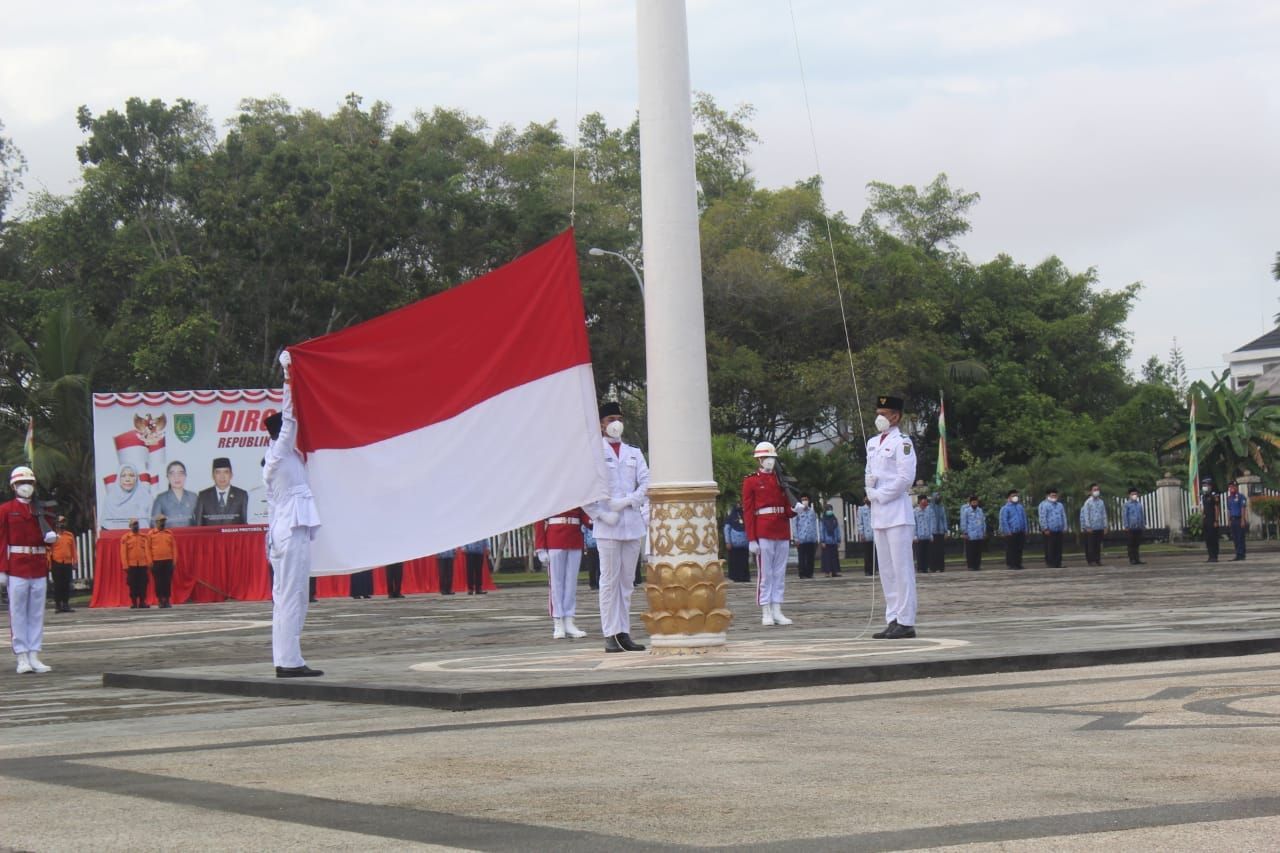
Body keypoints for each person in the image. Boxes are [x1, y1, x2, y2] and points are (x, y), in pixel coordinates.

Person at [264, 351, 323, 678]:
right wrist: (288, 377)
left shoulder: (284, 457)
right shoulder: (277, 455)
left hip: (289, 530)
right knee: (291, 597)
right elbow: (290, 419)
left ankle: (288, 658)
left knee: (289, 597)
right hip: (290, 531)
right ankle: (288, 661)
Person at [586, 401, 649, 653]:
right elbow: (585, 490)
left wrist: (628, 501)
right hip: (609, 526)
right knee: (609, 581)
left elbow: (646, 482)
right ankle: (610, 633)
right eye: (610, 418)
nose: (615, 423)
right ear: (601, 423)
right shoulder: (594, 453)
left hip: (632, 523)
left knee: (627, 582)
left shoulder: (634, 453)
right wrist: (599, 514)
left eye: (618, 418)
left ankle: (624, 631)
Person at [865, 395, 918, 640]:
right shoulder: (873, 442)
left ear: (896, 416)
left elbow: (905, 478)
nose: (879, 418)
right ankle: (892, 618)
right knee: (886, 570)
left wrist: (880, 494)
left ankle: (906, 621)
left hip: (897, 511)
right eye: (878, 412)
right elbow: (870, 472)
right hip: (879, 513)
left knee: (901, 569)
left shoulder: (902, 442)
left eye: (884, 413)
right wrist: (869, 489)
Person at [2, 466, 57, 673]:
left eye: (29, 483)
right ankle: (22, 656)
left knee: (36, 613)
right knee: (18, 613)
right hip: (17, 566)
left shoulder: (41, 508)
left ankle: (34, 654)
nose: (25, 486)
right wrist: (2, 569)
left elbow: (48, 535)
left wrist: (52, 538)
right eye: (21, 483)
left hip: (38, 565)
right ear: (14, 486)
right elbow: (1, 541)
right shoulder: (6, 509)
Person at [743, 441, 797, 627]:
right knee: (765, 574)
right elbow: (748, 511)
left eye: (772, 458)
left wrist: (796, 509)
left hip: (781, 529)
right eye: (767, 458)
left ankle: (777, 609)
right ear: (759, 459)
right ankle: (765, 609)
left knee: (779, 573)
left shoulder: (780, 480)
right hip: (763, 530)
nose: (770, 462)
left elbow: (787, 509)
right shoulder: (751, 481)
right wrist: (751, 538)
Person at [536, 508, 590, 639]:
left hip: (574, 537)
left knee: (571, 583)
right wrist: (540, 547)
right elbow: (539, 520)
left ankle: (569, 620)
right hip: (555, 537)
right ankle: (558, 620)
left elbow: (585, 514)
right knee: (556, 582)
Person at [194, 458, 250, 526]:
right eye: (218, 472)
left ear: (231, 475)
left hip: (234, 536)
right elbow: (198, 524)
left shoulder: (241, 495)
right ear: (213, 476)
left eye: (226, 472)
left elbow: (245, 523)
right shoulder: (203, 496)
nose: (222, 477)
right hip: (210, 536)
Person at [102, 464, 154, 529]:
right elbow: (106, 526)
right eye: (123, 476)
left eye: (131, 475)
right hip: (115, 538)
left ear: (136, 478)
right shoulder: (110, 499)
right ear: (119, 479)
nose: (127, 479)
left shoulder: (147, 498)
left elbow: (153, 524)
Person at [151, 460, 197, 527]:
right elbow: (153, 524)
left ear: (185, 476)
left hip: (190, 536)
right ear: (167, 477)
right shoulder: (160, 499)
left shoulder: (193, 497)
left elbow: (199, 522)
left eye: (180, 473)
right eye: (172, 474)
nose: (177, 477)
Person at [120, 518, 152, 609]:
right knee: (132, 585)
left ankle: (142, 602)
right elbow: (123, 553)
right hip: (131, 566)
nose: (136, 526)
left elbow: (147, 551)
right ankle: (134, 603)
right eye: (134, 524)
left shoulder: (144, 537)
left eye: (137, 524)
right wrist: (125, 565)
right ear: (130, 526)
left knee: (143, 584)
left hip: (142, 565)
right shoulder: (125, 538)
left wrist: (149, 563)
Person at [48, 516, 77, 613]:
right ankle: (58, 605)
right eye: (60, 522)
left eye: (64, 522)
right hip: (57, 563)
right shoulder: (52, 536)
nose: (62, 524)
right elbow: (49, 551)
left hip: (67, 563)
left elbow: (73, 549)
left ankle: (65, 604)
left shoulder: (69, 535)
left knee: (66, 584)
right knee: (58, 585)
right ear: (56, 523)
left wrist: (75, 562)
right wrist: (49, 564)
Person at [147, 515, 178, 608]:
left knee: (167, 582)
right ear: (156, 522)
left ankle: (167, 600)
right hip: (156, 562)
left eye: (164, 521)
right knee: (158, 582)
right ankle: (160, 600)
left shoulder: (169, 533)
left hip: (168, 561)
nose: (163, 523)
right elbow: (147, 549)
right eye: (161, 521)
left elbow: (174, 548)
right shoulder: (151, 534)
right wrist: (150, 562)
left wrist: (174, 561)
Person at [999, 489, 1028, 570]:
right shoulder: (1005, 508)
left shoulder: (1020, 507)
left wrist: (1025, 529)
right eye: (1013, 496)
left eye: (1016, 496)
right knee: (1011, 549)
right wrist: (1007, 531)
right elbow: (1003, 520)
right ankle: (1011, 564)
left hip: (1020, 531)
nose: (1015, 497)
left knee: (1019, 549)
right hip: (1011, 532)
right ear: (1009, 497)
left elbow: (1024, 518)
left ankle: (1018, 563)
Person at [1038, 488, 1067, 568]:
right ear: (1047, 496)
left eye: (1055, 495)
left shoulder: (1059, 505)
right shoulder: (1043, 505)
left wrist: (1064, 527)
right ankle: (1050, 563)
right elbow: (1042, 517)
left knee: (1058, 547)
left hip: (1059, 529)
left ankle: (1058, 563)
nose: (1054, 496)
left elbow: (1063, 516)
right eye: (1052, 495)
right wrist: (1045, 528)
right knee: (1050, 547)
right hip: (1049, 530)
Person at [1080, 483, 1107, 566]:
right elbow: (1086, 515)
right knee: (1090, 545)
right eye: (1094, 490)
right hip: (1091, 528)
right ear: (1090, 491)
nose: (1096, 491)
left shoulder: (1101, 502)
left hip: (1099, 527)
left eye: (1097, 490)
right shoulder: (1088, 502)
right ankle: (1091, 561)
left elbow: (1104, 514)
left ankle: (1097, 560)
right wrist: (1087, 526)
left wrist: (1105, 526)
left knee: (1098, 545)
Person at [722, 505, 750, 582]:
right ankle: (735, 577)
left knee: (744, 561)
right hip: (734, 545)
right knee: (734, 561)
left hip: (744, 545)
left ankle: (745, 577)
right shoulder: (729, 518)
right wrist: (728, 542)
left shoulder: (745, 516)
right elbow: (726, 530)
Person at [793, 494, 819, 579]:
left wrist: (816, 537)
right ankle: (802, 573)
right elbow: (794, 525)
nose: (805, 501)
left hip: (811, 538)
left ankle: (810, 573)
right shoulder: (797, 512)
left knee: (810, 557)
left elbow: (814, 525)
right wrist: (796, 538)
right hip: (801, 538)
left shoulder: (812, 511)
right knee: (802, 557)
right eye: (803, 499)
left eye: (806, 499)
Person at [959, 494, 986, 571]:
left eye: (976, 502)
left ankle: (977, 565)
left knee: (978, 551)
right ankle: (971, 565)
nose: (974, 504)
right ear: (970, 503)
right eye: (973, 502)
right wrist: (965, 532)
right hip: (970, 534)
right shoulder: (966, 511)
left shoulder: (980, 510)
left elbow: (983, 521)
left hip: (979, 534)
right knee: (970, 551)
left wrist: (983, 531)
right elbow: (964, 522)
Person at [1225, 481, 1248, 561]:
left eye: (1233, 487)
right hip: (1233, 519)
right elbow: (1229, 510)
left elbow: (1243, 508)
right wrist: (1229, 520)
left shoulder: (1241, 497)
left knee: (1240, 537)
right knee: (1235, 538)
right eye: (1230, 487)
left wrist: (1242, 520)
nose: (1231, 488)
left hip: (1239, 519)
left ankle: (1241, 554)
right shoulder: (1229, 498)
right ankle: (1237, 553)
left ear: (1236, 487)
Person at [1123, 487, 1146, 565]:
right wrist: (1126, 526)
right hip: (1130, 527)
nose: (1134, 495)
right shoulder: (1127, 505)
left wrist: (1143, 525)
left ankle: (1137, 559)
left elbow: (1141, 515)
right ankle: (1132, 559)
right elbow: (1125, 516)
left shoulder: (1139, 505)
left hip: (1138, 527)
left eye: (1135, 494)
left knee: (1137, 544)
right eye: (1132, 494)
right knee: (1131, 544)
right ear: (1129, 495)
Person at [819, 504, 842, 577]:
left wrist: (838, 540)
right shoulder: (823, 520)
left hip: (834, 541)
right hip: (826, 542)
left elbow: (838, 530)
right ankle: (827, 572)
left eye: (831, 509)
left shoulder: (835, 519)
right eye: (828, 509)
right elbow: (821, 530)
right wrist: (822, 541)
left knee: (834, 557)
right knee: (827, 558)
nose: (830, 511)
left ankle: (835, 572)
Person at [1200, 477, 1220, 563]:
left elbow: (1216, 508)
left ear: (1210, 486)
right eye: (1203, 485)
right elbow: (1204, 508)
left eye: (1206, 485)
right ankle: (1210, 555)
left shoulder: (1214, 495)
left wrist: (1216, 520)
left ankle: (1214, 556)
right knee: (1207, 538)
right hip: (1206, 519)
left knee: (1213, 538)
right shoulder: (1204, 496)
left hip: (1212, 519)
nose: (1204, 487)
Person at [912, 495, 933, 574]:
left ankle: (926, 567)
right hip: (919, 536)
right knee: (919, 553)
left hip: (927, 535)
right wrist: (914, 535)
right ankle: (920, 568)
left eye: (925, 502)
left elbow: (931, 523)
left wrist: (931, 534)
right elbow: (914, 524)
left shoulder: (929, 511)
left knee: (927, 553)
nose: (924, 504)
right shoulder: (915, 511)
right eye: (922, 502)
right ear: (919, 502)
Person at [928, 492, 947, 573]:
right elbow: (927, 521)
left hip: (941, 531)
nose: (938, 498)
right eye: (937, 496)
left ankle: (941, 567)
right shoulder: (929, 508)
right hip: (933, 531)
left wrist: (946, 530)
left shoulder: (942, 507)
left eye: (939, 496)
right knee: (933, 551)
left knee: (941, 550)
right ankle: (933, 567)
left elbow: (944, 519)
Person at [856, 497, 875, 576]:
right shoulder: (861, 509)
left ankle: (874, 569)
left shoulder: (875, 508)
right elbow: (860, 522)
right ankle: (867, 570)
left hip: (875, 534)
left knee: (874, 554)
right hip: (866, 534)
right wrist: (861, 533)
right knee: (867, 554)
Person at [582, 523, 600, 591]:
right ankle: (592, 584)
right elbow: (584, 534)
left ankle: (599, 584)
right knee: (591, 567)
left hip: (599, 546)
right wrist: (585, 546)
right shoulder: (586, 524)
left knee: (599, 566)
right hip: (590, 547)